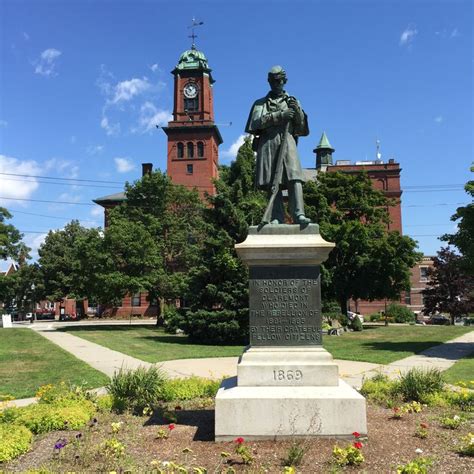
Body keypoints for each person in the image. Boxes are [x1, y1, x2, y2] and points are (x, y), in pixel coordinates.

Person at [245, 65, 311, 225]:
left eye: (279, 81)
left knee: (294, 177)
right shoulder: (260, 103)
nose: (276, 84)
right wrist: (280, 115)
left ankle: (298, 214)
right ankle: (276, 217)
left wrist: (298, 114)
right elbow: (254, 123)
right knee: (272, 182)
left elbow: (302, 129)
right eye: (273, 81)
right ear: (269, 82)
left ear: (284, 81)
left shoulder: (292, 101)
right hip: (268, 143)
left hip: (288, 141)